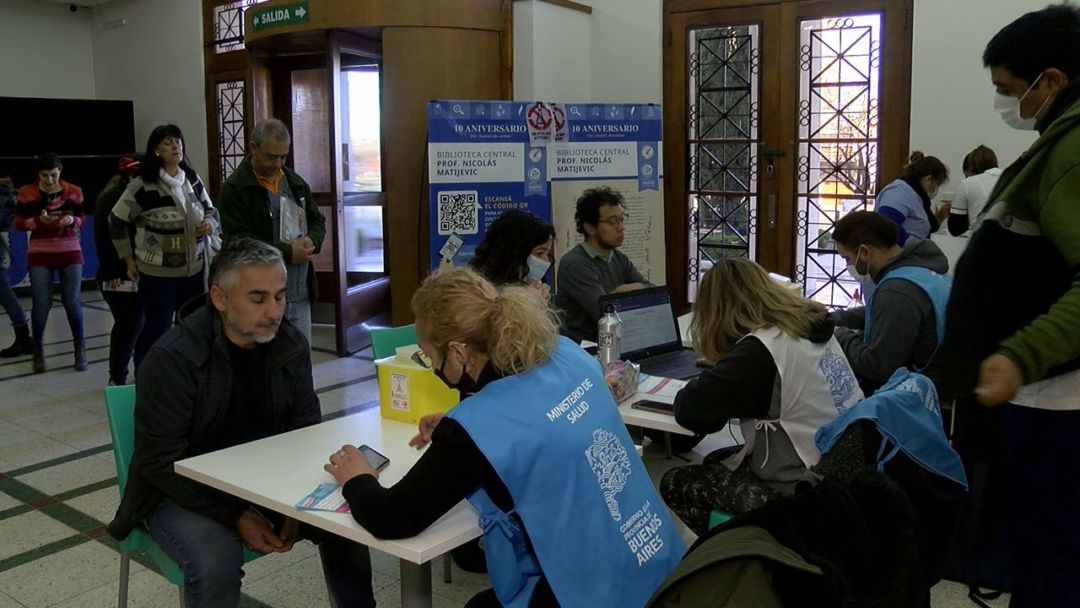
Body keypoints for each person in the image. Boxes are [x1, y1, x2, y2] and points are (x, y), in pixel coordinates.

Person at [325, 266, 685, 608]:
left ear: (457, 351)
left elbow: (393, 518)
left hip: (595, 593)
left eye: (429, 355)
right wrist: (463, 421)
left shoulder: (475, 429)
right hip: (657, 564)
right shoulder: (568, 354)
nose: (432, 367)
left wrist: (358, 478)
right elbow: (545, 418)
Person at [106, 237, 375, 608]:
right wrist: (236, 515)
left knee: (347, 516)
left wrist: (292, 505)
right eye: (258, 298)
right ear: (219, 299)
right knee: (215, 560)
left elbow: (306, 429)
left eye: (280, 296)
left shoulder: (289, 343)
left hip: (262, 478)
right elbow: (159, 462)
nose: (274, 311)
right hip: (180, 488)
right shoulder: (173, 358)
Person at [936, 5, 1080, 604]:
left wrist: (1020, 354)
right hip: (1042, 398)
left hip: (1057, 403)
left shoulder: (1072, 152)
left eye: (1007, 89)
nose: (1003, 103)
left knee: (1048, 559)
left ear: (1050, 81)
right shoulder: (1060, 144)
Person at [659, 258, 862, 535]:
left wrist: (722, 369)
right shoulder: (806, 327)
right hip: (841, 476)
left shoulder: (760, 352)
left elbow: (693, 412)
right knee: (715, 460)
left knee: (676, 482)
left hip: (802, 494)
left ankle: (750, 553)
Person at [110, 124, 219, 371]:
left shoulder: (191, 177)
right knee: (157, 327)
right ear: (156, 150)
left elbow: (211, 209)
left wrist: (210, 223)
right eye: (168, 142)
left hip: (193, 269)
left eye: (178, 141)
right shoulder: (142, 185)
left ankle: (186, 372)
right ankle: (146, 373)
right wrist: (127, 258)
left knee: (191, 324)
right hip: (158, 273)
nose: (176, 146)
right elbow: (116, 220)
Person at [217, 118, 325, 344]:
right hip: (258, 296)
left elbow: (317, 219)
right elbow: (237, 242)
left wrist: (312, 240)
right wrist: (286, 253)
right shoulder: (235, 189)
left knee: (299, 359)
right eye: (271, 157)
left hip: (298, 293)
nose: (278, 164)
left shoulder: (294, 182)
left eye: (283, 157)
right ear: (253, 147)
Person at [828, 211, 951, 394]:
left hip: (921, 393)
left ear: (865, 252)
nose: (848, 264)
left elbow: (877, 366)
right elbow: (880, 311)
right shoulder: (919, 268)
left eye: (847, 258)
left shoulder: (897, 291)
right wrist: (834, 318)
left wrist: (838, 335)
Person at [14, 153, 86, 373]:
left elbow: (83, 218)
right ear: (38, 175)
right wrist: (37, 221)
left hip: (70, 250)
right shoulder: (26, 192)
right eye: (44, 175)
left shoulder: (74, 191)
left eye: (53, 175)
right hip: (40, 252)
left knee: (72, 300)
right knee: (41, 303)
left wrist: (72, 220)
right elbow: (18, 223)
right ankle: (38, 352)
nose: (49, 180)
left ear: (60, 171)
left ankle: (80, 350)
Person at [555, 186, 649, 342]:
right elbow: (605, 313)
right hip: (587, 349)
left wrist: (631, 289)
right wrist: (627, 294)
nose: (621, 228)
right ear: (590, 227)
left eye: (621, 219)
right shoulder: (575, 264)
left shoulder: (618, 258)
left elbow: (652, 292)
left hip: (618, 342)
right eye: (612, 222)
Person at [95, 155, 145, 385]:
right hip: (122, 276)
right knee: (131, 324)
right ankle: (120, 378)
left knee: (129, 325)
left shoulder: (108, 196)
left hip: (109, 277)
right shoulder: (121, 200)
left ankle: (121, 377)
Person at [874, 152, 951, 244]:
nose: (935, 189)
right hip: (900, 255)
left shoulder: (917, 197)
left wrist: (940, 217)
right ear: (929, 180)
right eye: (937, 184)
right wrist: (914, 249)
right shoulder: (899, 192)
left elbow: (921, 228)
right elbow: (886, 227)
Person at [0, 167, 32, 358]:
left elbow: (5, 219)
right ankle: (24, 337)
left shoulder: (4, 194)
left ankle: (24, 336)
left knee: (4, 292)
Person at [947, 145, 1003, 236]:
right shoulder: (1010, 178)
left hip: (983, 239)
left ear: (971, 168)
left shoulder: (967, 183)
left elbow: (956, 228)